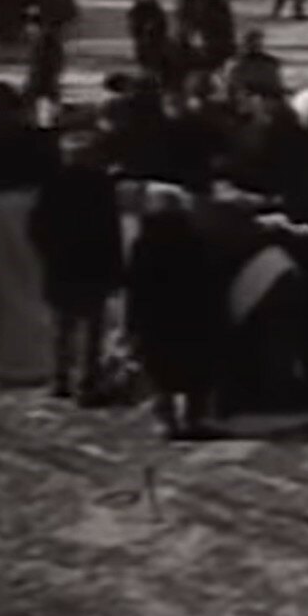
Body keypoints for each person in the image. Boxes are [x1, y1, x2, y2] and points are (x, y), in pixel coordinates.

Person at [27, 129, 125, 403]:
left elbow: (37, 226)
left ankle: (60, 378)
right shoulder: (102, 185)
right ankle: (86, 382)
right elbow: (110, 229)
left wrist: (47, 252)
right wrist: (115, 269)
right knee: (91, 329)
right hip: (92, 264)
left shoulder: (52, 184)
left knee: (62, 326)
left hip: (62, 264)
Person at [125, 185, 223, 439]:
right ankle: (195, 417)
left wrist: (132, 323)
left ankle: (167, 419)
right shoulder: (197, 240)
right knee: (196, 371)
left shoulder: (144, 243)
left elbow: (137, 286)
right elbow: (210, 281)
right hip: (192, 316)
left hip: (157, 319)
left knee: (161, 373)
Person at [127, 0, 171, 82]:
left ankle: (152, 74)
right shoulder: (149, 6)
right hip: (151, 39)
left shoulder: (143, 6)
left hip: (150, 39)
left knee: (149, 56)